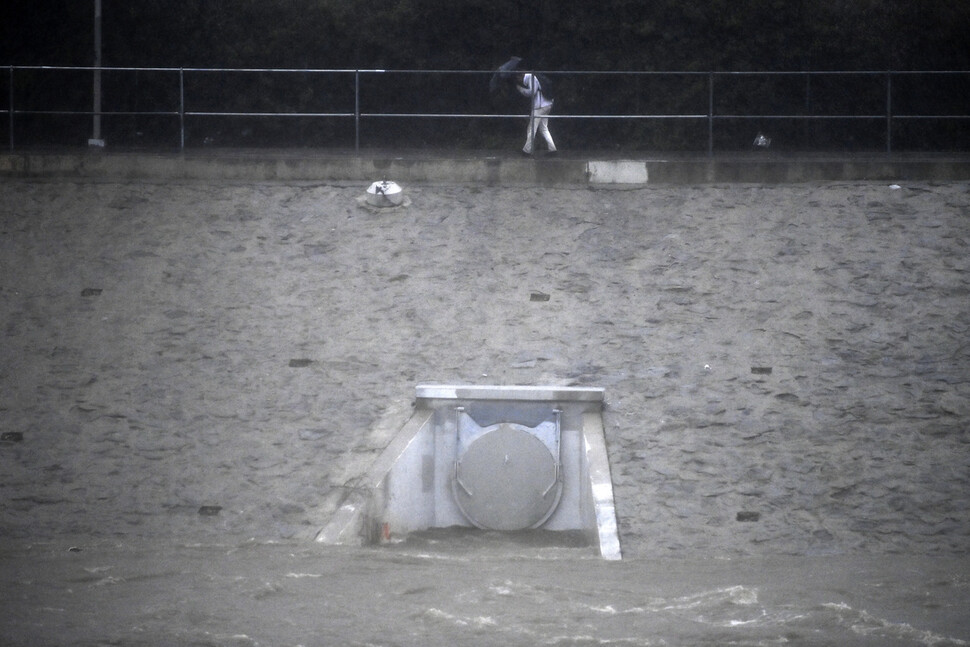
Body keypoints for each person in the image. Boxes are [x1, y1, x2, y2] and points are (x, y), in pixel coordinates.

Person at [516, 73, 557, 156]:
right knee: (544, 129)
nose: (519, 81)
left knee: (531, 128)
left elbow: (532, 92)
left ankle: (526, 151)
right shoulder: (536, 76)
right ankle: (552, 149)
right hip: (547, 104)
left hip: (540, 106)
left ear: (520, 76)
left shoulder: (531, 78)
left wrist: (520, 89)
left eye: (518, 79)